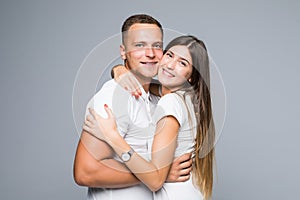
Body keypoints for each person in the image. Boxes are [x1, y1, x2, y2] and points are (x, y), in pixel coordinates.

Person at [73, 14, 192, 200]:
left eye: (157, 46)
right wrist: (157, 175)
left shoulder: (157, 98)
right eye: (139, 45)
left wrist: (118, 70)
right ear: (123, 52)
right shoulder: (112, 98)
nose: (151, 53)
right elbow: (85, 172)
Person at [83, 35, 216, 200]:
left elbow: (154, 181)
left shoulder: (170, 103)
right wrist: (119, 70)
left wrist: (112, 136)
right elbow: (144, 84)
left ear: (191, 77)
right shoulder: (186, 96)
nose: (170, 65)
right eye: (169, 55)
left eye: (182, 63)